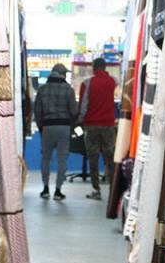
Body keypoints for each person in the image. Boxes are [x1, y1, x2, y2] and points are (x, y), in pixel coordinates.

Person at [33, 63, 78, 200]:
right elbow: (74, 111)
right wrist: (71, 125)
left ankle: (45, 189)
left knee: (46, 158)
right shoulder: (69, 90)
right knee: (62, 159)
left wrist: (41, 127)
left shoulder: (42, 89)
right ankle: (58, 190)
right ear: (63, 74)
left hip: (47, 127)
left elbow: (37, 111)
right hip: (64, 127)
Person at [78, 57, 117, 200]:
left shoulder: (87, 83)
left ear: (93, 68)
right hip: (108, 125)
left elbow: (83, 105)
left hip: (91, 125)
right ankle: (113, 191)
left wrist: (81, 118)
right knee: (110, 158)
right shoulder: (112, 81)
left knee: (93, 158)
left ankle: (96, 190)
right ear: (105, 67)